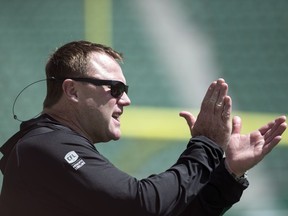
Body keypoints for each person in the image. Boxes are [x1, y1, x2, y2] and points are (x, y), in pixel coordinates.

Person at [0, 40, 286, 216]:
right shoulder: (42, 146)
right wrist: (206, 145)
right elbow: (141, 204)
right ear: (72, 91)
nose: (126, 99)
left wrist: (227, 174)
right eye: (115, 88)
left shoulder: (54, 148)